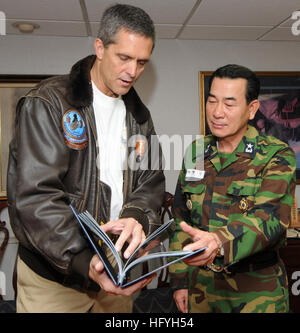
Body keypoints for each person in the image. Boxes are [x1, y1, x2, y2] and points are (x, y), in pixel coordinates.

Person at [7, 4, 165, 313]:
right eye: (124, 58)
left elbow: (151, 184)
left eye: (142, 62)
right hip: (54, 282)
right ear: (100, 48)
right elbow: (36, 197)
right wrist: (84, 259)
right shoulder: (48, 103)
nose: (132, 71)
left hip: (114, 277)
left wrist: (136, 216)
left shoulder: (140, 118)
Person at [169, 64, 296, 313]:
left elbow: (268, 219)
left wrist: (218, 241)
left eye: (229, 104)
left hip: (257, 292)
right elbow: (180, 218)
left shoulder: (276, 155)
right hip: (201, 290)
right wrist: (179, 280)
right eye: (212, 101)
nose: (217, 112)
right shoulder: (196, 152)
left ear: (251, 109)